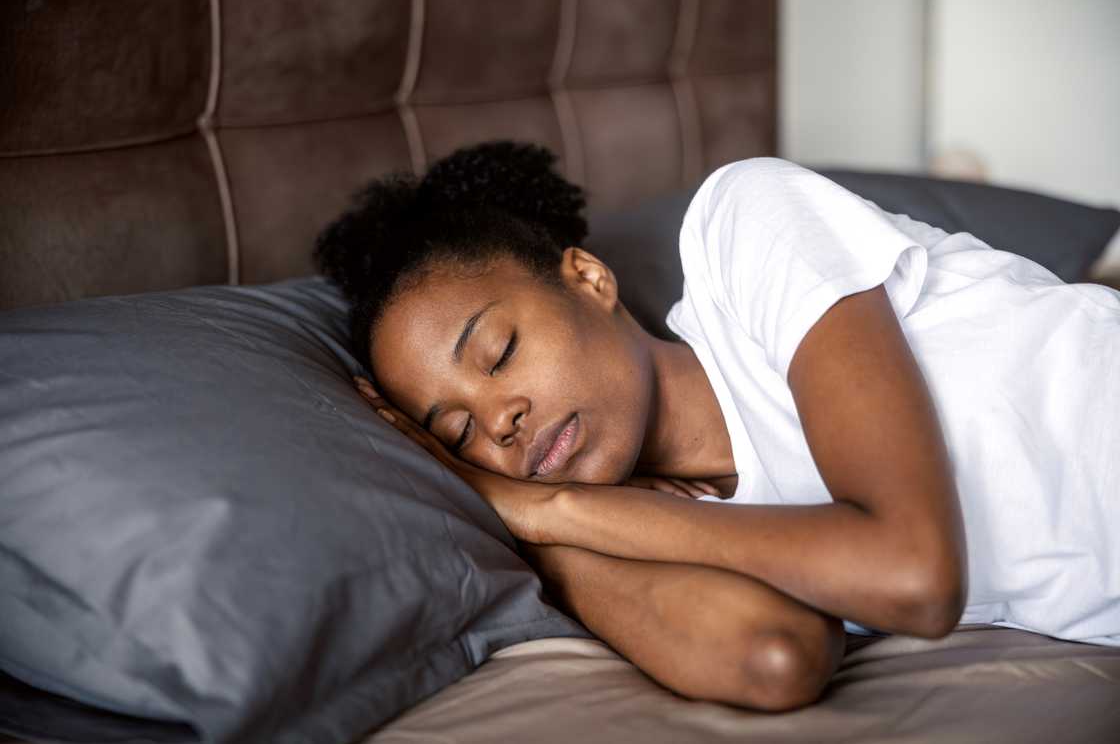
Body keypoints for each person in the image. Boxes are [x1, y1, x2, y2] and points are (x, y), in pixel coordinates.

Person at [314, 140, 1120, 712]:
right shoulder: (679, 521)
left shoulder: (742, 223)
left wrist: (551, 507)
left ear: (588, 278)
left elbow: (914, 574)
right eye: (458, 436)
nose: (500, 425)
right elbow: (767, 656)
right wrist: (544, 538)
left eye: (498, 352)